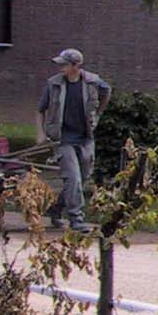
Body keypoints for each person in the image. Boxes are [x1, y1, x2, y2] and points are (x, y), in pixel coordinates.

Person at [37, 49, 113, 231]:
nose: (60, 67)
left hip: (86, 138)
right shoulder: (54, 84)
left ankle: (55, 209)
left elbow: (107, 91)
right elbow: (40, 109)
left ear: (76, 66)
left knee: (83, 177)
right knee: (73, 179)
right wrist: (40, 133)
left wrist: (98, 114)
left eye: (64, 64)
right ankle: (76, 219)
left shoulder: (93, 82)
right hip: (63, 140)